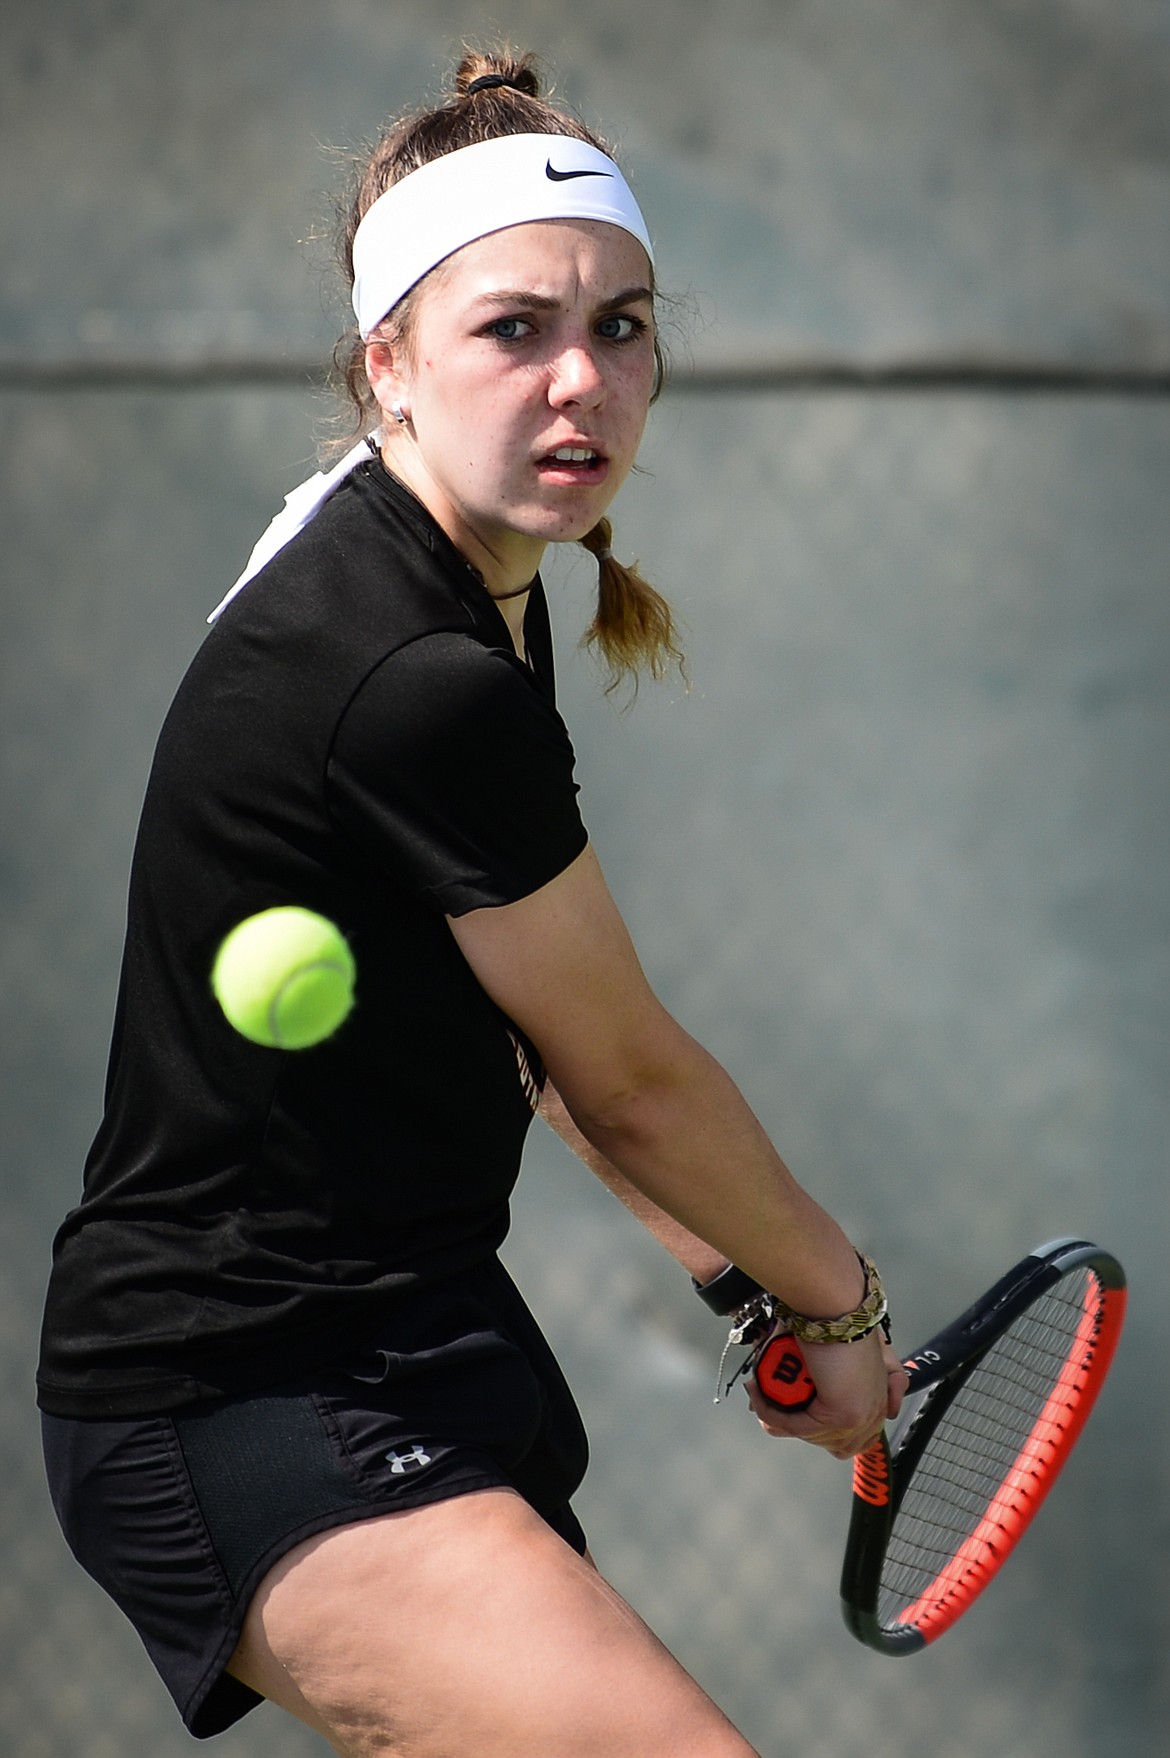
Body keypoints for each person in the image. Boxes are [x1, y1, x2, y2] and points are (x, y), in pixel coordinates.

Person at [38, 49, 906, 1758]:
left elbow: (527, 1034)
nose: (581, 380)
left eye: (625, 325)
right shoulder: (410, 668)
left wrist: (745, 1292)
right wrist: (843, 1303)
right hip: (241, 1386)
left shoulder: (427, 563)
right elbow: (630, 1072)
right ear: (390, 366)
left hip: (410, 1330)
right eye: (513, 330)